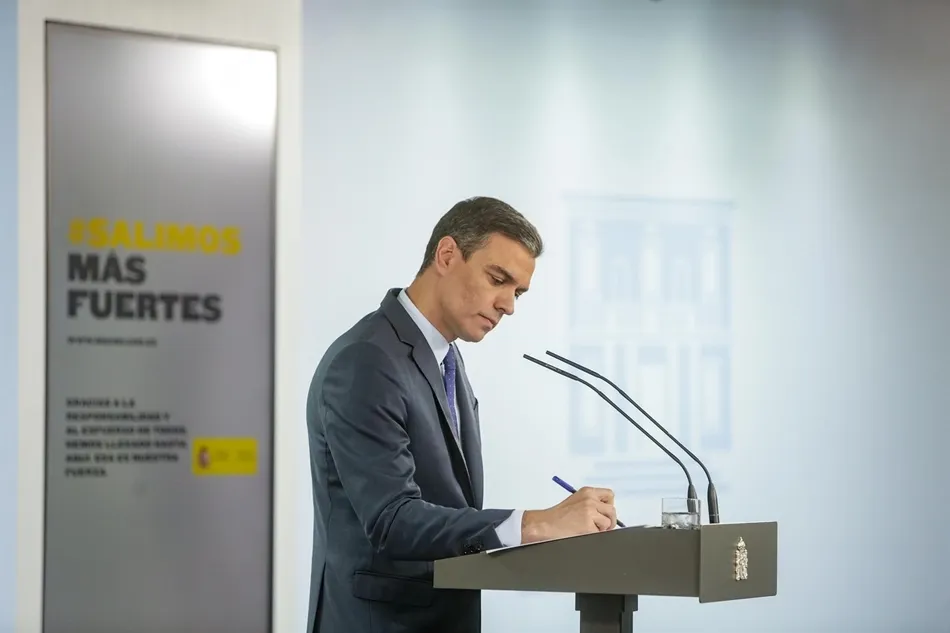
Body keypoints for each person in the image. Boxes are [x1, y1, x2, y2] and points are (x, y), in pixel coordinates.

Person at [305, 196, 618, 633]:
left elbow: (449, 506)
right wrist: (536, 524)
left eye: (518, 292)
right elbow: (393, 520)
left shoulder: (446, 358)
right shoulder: (365, 360)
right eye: (498, 279)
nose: (508, 305)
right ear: (447, 255)